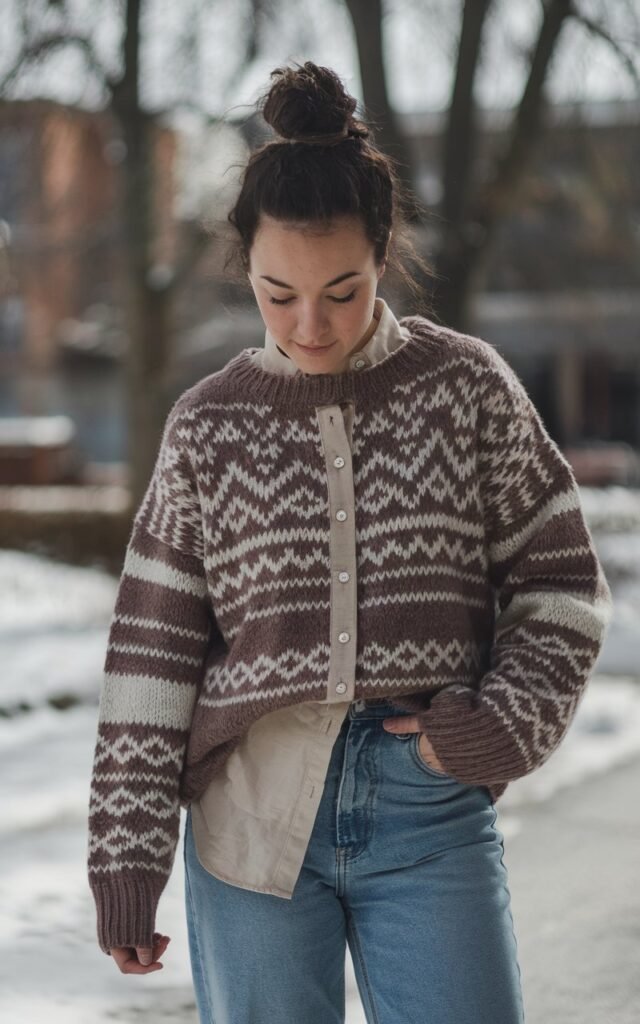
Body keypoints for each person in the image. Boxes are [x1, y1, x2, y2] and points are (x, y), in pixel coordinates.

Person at [87, 61, 613, 1023]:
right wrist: (126, 857)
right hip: (247, 816)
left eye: (343, 290)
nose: (309, 324)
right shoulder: (208, 426)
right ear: (245, 267)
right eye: (276, 293)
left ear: (384, 253)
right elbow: (152, 650)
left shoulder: (466, 387)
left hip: (428, 801)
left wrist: (500, 725)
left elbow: (560, 582)